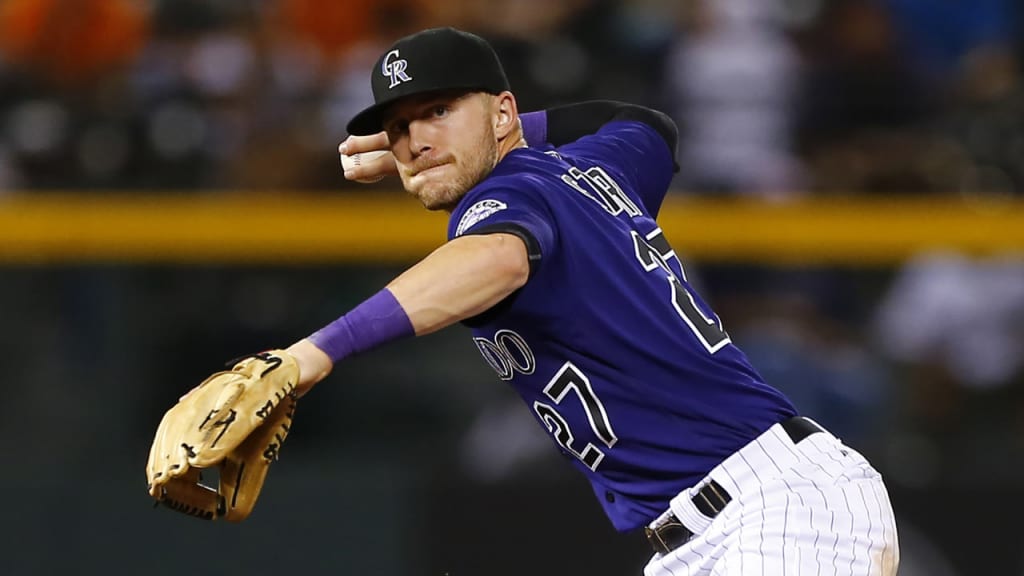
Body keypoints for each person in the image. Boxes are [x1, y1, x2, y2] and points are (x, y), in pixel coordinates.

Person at [284, 27, 900, 575]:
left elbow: (499, 256)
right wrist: (463, 139)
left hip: (775, 516)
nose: (415, 140)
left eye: (439, 110)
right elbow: (646, 123)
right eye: (398, 128)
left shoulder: (501, 196)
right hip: (719, 529)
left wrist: (315, 352)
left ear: (504, 114)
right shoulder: (596, 163)